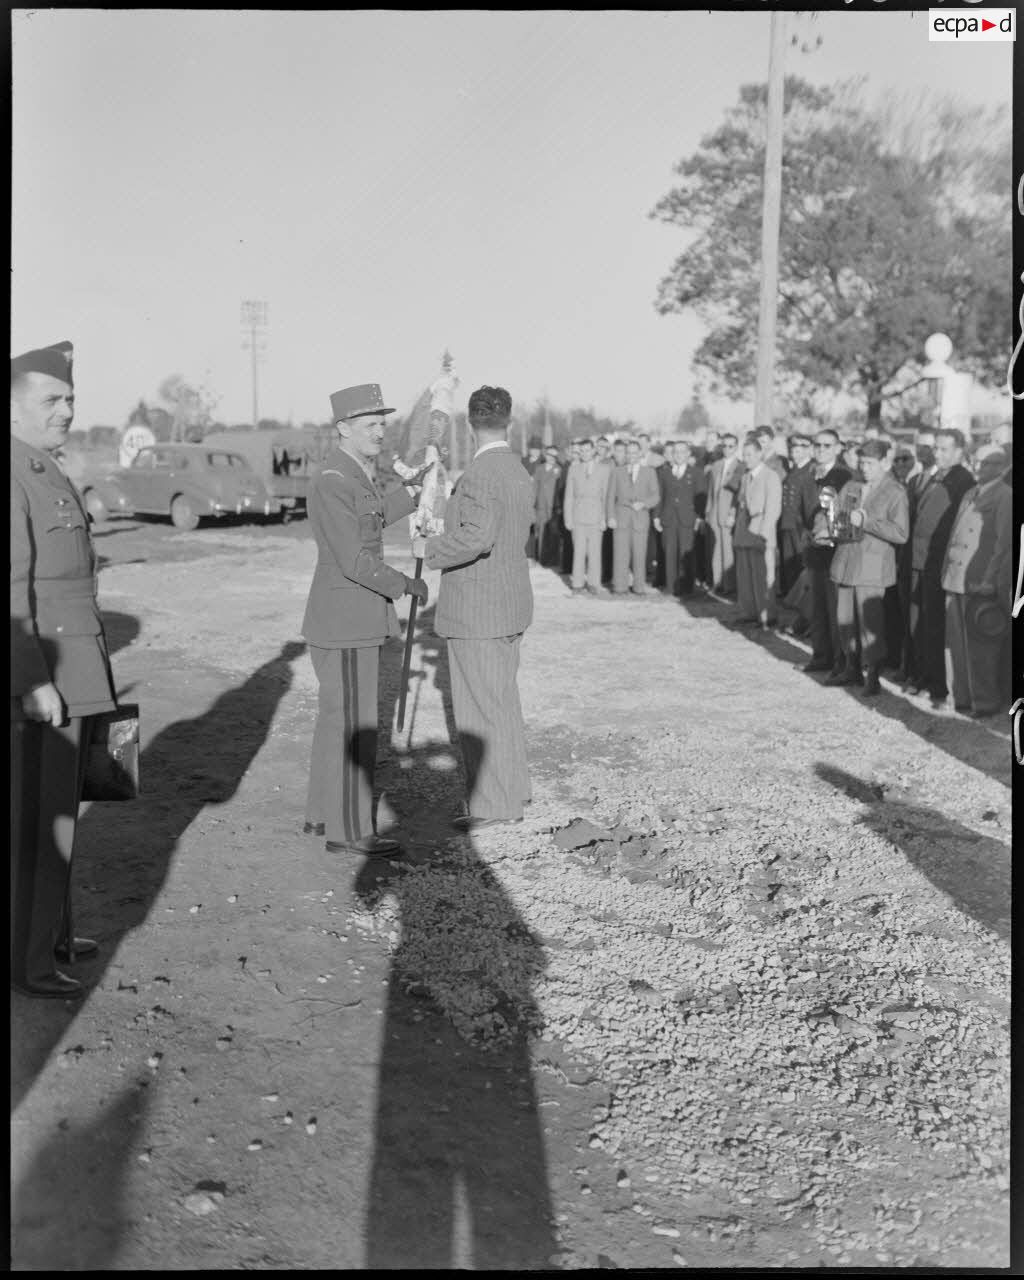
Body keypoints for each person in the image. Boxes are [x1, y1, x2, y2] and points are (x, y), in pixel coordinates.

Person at [11, 340, 116, 998]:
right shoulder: (14, 471)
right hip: (48, 674)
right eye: (52, 399)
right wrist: (32, 678)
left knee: (61, 814)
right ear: (14, 407)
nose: (68, 410)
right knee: (38, 824)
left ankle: (49, 935)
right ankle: (29, 962)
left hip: (77, 665)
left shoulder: (45, 468)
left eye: (71, 398)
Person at [301, 383, 426, 859]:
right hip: (348, 619)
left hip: (345, 617)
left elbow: (370, 517)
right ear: (343, 429)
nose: (380, 431)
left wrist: (411, 494)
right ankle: (349, 830)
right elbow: (356, 559)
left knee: (336, 720)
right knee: (355, 725)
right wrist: (404, 584)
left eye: (382, 423)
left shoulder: (351, 473)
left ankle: (321, 813)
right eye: (370, 424)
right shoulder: (335, 478)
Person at [424, 386, 534, 830]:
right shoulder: (516, 469)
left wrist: (429, 547)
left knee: (481, 710)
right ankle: (512, 789)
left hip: (479, 610)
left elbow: (476, 537)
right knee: (502, 703)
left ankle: (493, 804)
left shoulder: (482, 473)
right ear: (509, 420)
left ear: (470, 425)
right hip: (507, 604)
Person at [826, 439, 909, 697]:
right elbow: (836, 515)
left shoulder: (895, 492)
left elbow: (901, 533)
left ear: (884, 462)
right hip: (845, 562)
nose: (864, 468)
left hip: (872, 568)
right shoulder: (851, 485)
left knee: (870, 624)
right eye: (861, 462)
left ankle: (873, 674)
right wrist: (827, 529)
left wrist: (866, 521)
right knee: (844, 621)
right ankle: (851, 668)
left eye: (870, 463)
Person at [905, 428, 975, 710]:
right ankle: (922, 677)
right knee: (917, 623)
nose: (939, 453)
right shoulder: (935, 476)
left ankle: (939, 689)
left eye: (945, 448)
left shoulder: (962, 481)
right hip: (918, 561)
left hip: (938, 563)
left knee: (935, 627)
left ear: (959, 451)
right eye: (937, 447)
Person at [941, 445, 1013, 718]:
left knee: (981, 647)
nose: (978, 466)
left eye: (984, 462)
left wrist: (990, 580)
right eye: (976, 461)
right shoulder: (971, 492)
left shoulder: (1005, 496)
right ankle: (960, 696)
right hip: (956, 577)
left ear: (999, 465)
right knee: (955, 645)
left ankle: (984, 701)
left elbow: (1003, 545)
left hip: (980, 581)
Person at [798, 429, 852, 674]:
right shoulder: (809, 474)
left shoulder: (844, 476)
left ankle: (841, 662)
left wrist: (829, 532)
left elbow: (847, 515)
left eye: (827, 445)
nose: (821, 449)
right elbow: (802, 509)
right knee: (817, 607)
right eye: (817, 444)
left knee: (835, 609)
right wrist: (806, 530)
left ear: (837, 447)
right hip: (814, 550)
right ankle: (821, 656)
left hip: (835, 550)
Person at [729, 435, 783, 629]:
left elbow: (773, 509)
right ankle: (748, 612)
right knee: (745, 577)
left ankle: (766, 616)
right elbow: (741, 504)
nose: (747, 458)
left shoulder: (771, 476)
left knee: (763, 578)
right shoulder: (744, 477)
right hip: (744, 535)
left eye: (750, 454)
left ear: (760, 454)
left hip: (761, 536)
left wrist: (764, 535)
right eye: (744, 455)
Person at [653, 439, 706, 598]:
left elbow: (701, 498)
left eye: (683, 451)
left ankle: (687, 588)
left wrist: (698, 518)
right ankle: (671, 587)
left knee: (686, 553)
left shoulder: (696, 473)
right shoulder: (664, 472)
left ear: (689, 454)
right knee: (669, 551)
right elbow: (659, 496)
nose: (679, 455)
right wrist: (656, 516)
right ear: (672, 454)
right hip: (668, 518)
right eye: (676, 452)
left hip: (687, 518)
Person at [607, 438, 660, 595]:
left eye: (634, 453)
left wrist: (643, 504)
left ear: (640, 454)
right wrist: (610, 517)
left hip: (640, 518)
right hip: (621, 517)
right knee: (620, 554)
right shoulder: (617, 471)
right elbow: (611, 496)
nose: (631, 456)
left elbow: (656, 496)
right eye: (628, 453)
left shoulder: (649, 472)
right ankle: (620, 587)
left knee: (639, 554)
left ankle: (638, 587)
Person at [563, 437, 610, 595]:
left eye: (587, 450)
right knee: (579, 551)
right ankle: (577, 583)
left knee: (595, 552)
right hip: (578, 516)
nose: (584, 453)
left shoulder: (604, 469)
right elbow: (569, 496)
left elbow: (606, 496)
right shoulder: (573, 469)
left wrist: (604, 517)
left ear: (594, 450)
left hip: (596, 516)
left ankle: (593, 583)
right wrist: (568, 518)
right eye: (581, 451)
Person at [777, 433, 815, 598]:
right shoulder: (794, 470)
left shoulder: (810, 470)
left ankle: (798, 598)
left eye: (800, 449)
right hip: (788, 522)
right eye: (793, 449)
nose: (795, 452)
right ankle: (789, 595)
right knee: (789, 561)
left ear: (808, 451)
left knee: (799, 562)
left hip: (800, 525)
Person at [706, 432, 743, 595]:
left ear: (736, 447)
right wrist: (708, 512)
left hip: (728, 513)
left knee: (728, 550)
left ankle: (729, 585)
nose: (727, 449)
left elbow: (738, 494)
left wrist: (733, 513)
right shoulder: (716, 465)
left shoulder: (740, 466)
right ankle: (717, 583)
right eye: (724, 446)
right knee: (716, 549)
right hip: (714, 513)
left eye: (731, 446)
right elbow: (710, 492)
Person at [532, 445, 563, 568]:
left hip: (553, 507)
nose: (552, 458)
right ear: (546, 455)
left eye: (554, 456)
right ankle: (541, 559)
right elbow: (534, 486)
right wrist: (532, 504)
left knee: (553, 533)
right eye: (550, 455)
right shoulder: (539, 469)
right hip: (541, 506)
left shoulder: (559, 470)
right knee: (541, 532)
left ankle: (554, 559)